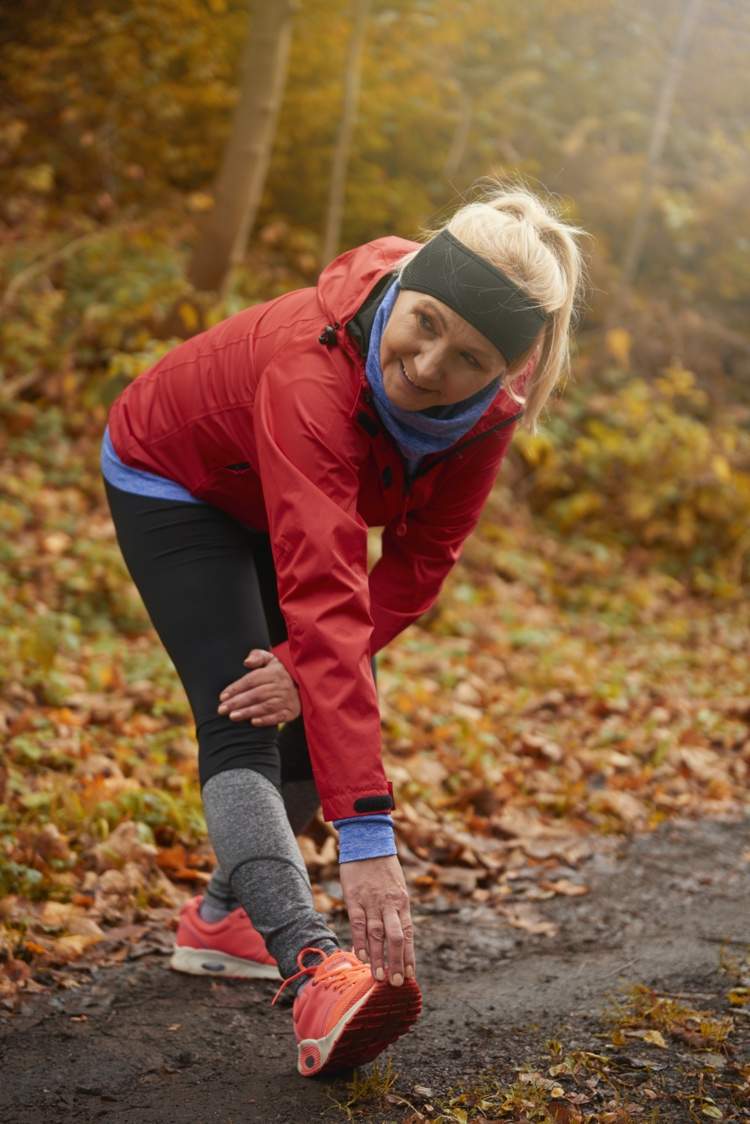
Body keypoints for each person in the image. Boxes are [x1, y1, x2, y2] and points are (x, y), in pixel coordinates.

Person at [100, 182, 585, 1077]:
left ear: (504, 373)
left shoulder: (487, 420)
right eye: (427, 323)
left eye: (471, 357)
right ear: (404, 291)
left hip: (285, 499)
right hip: (177, 475)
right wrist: (367, 839)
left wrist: (312, 664)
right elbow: (329, 592)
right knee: (246, 707)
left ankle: (222, 919)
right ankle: (314, 965)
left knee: (305, 698)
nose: (434, 364)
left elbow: (418, 564)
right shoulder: (308, 366)